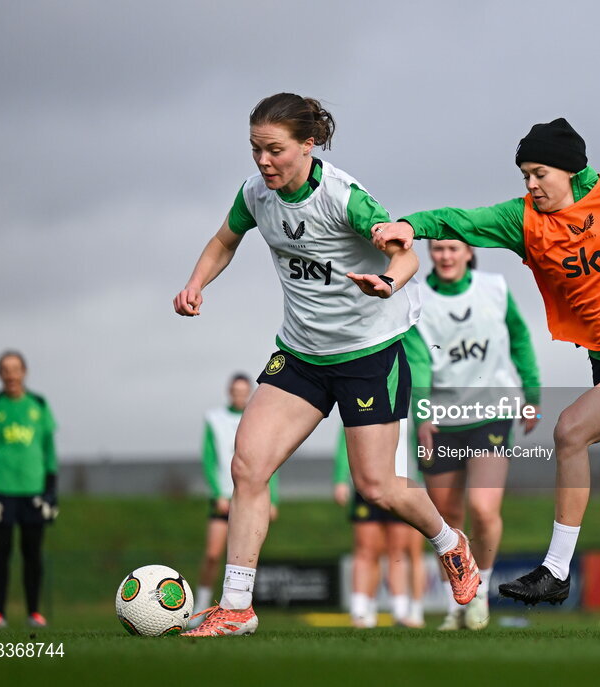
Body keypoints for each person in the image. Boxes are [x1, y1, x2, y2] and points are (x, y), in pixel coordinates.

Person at [371, 118, 600, 624]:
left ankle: (556, 570)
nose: (530, 184)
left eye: (539, 173)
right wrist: (409, 226)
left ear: (570, 170)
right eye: (524, 174)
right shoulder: (522, 220)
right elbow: (458, 220)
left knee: (570, 430)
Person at [174, 93, 480, 637]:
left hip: (370, 354)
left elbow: (405, 253)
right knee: (247, 466)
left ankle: (450, 544)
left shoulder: (344, 198)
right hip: (300, 355)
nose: (263, 162)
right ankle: (237, 607)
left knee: (378, 485)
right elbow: (225, 240)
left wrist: (387, 280)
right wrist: (196, 283)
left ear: (308, 146)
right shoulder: (255, 195)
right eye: (255, 150)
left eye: (275, 150)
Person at [405, 239, 540, 630]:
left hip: (492, 413)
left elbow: (520, 339)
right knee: (444, 520)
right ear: (430, 253)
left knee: (483, 509)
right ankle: (456, 600)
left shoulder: (494, 288)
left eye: (453, 248)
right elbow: (417, 359)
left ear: (468, 252)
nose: (445, 256)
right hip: (442, 418)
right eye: (439, 249)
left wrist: (531, 393)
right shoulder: (417, 297)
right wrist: (423, 413)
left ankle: (479, 594)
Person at [189, 374, 280, 627]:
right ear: (229, 392)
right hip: (224, 500)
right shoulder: (214, 419)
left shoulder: (260, 418)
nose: (239, 395)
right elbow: (208, 459)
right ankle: (201, 608)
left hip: (251, 501)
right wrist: (218, 492)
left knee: (247, 556)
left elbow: (271, 461)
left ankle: (238, 608)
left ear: (249, 393)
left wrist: (274, 499)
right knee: (212, 554)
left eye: (244, 391)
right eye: (235, 391)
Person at [0, 350, 58, 629]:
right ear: (0, 374)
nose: (11, 374)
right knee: (0, 552)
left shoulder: (38, 404)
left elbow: (48, 448)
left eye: (16, 369)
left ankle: (34, 613)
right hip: (1, 491)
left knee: (32, 553)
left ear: (24, 372)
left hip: (33, 489)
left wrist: (51, 489)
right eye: (5, 369)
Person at [333, 427, 425, 628]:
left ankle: (400, 611)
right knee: (366, 548)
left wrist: (420, 478)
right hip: (367, 485)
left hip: (400, 484)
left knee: (397, 550)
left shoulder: (409, 406)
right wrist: (340, 478)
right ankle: (361, 610)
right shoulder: (363, 399)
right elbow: (346, 439)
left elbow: (421, 445)